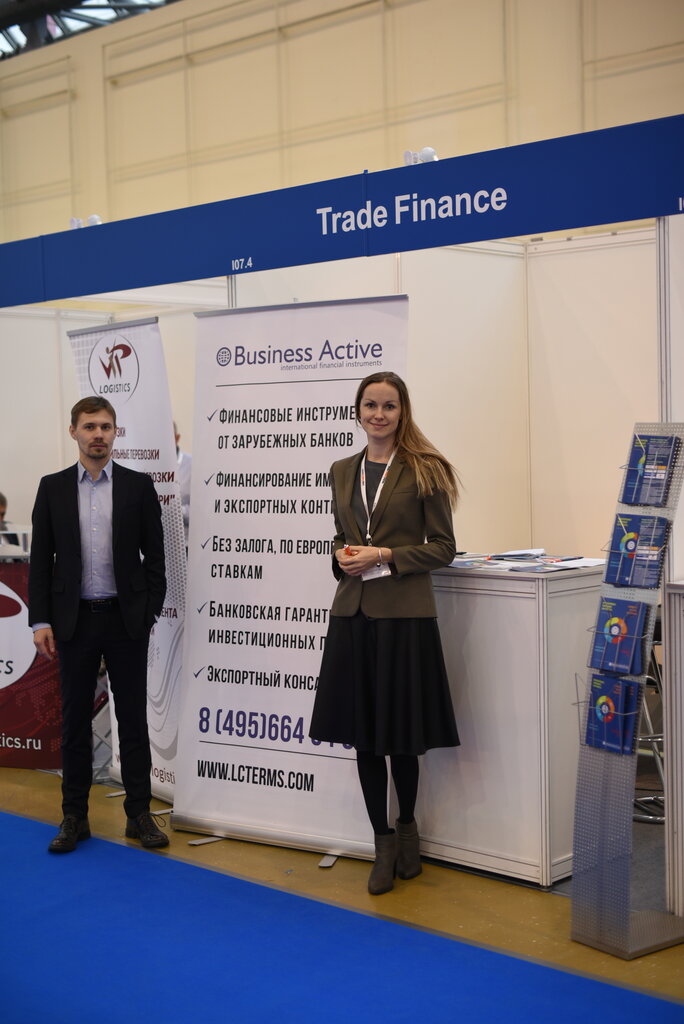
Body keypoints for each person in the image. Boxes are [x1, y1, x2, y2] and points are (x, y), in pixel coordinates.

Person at [309, 371, 460, 895]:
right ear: (358, 411)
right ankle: (382, 844)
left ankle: (408, 830)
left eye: (388, 406)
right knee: (365, 738)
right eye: (370, 405)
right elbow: (340, 534)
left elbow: (443, 548)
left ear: (402, 412)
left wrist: (386, 555)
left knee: (402, 738)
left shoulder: (426, 469)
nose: (378, 414)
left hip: (404, 617)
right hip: (353, 615)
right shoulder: (341, 470)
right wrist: (341, 555)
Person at [29, 396, 168, 853]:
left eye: (106, 427)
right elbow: (41, 560)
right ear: (73, 431)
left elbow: (156, 558)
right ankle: (74, 816)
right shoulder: (52, 488)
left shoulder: (137, 486)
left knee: (133, 721)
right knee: (74, 722)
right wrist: (41, 619)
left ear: (115, 433)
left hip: (126, 621)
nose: (98, 435)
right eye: (90, 426)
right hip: (73, 623)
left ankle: (139, 814)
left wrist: (147, 613)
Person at [174, 421, 192, 546]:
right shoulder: (149, 464)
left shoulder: (192, 465)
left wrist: (175, 511)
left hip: (184, 544)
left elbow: (201, 509)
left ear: (177, 438)